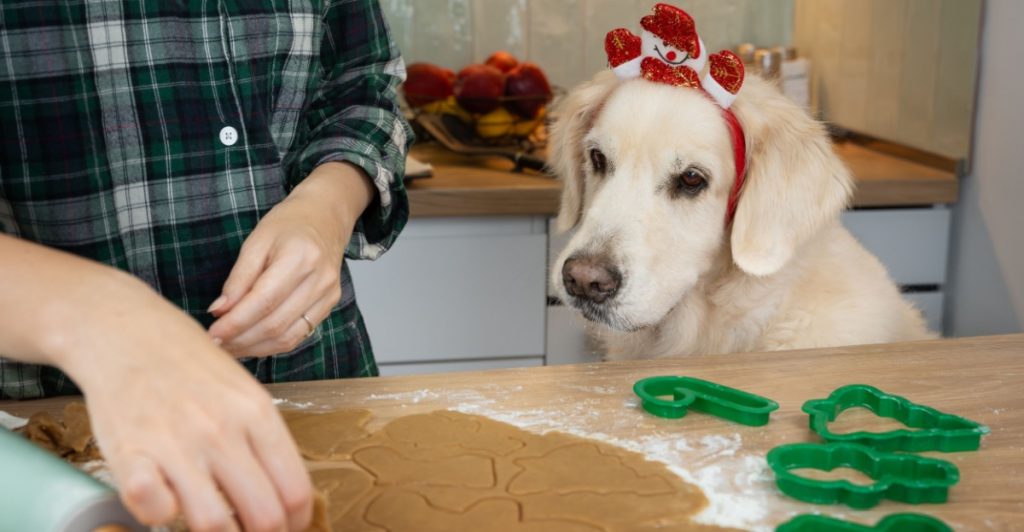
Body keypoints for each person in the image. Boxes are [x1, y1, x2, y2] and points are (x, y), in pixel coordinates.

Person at [0, 1, 412, 530]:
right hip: (42, 442)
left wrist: (326, 207)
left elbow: (363, 86)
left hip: (316, 387)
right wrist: (87, 313)